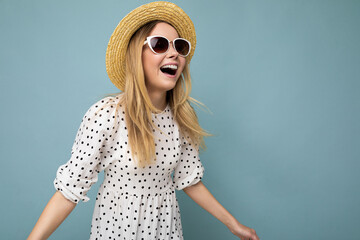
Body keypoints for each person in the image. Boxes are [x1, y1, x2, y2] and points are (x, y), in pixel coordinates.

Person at [27, 1, 260, 240]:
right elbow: (69, 191)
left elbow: (189, 179)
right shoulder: (107, 115)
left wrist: (234, 225)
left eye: (179, 46)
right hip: (118, 230)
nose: (174, 54)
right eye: (159, 44)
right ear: (136, 55)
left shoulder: (182, 116)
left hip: (166, 229)